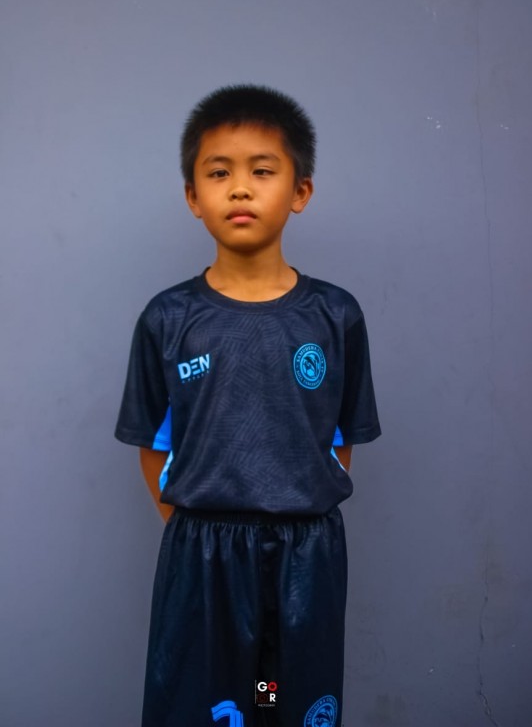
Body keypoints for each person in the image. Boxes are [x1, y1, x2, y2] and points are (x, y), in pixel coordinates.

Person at [115, 84, 381, 727]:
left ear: (299, 191)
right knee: (201, 701)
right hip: (204, 553)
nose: (240, 189)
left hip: (304, 556)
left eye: (262, 171)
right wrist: (203, 525)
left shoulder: (335, 316)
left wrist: (291, 503)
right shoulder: (168, 319)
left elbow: (338, 436)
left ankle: (269, 706)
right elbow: (154, 445)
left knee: (276, 695)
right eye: (219, 174)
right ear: (193, 197)